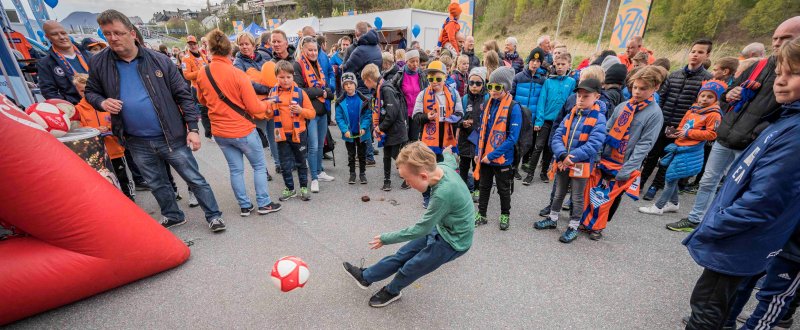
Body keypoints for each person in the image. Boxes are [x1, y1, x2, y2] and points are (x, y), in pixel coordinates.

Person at [681, 37, 800, 329]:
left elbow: (764, 199)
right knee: (716, 307)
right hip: (740, 238)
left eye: (792, 74)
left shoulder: (795, 133)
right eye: (780, 73)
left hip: (740, 239)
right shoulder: (785, 119)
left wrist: (714, 226)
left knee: (707, 309)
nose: (780, 82)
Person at [86, 10, 225, 232]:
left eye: (118, 33)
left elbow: (184, 96)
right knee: (156, 183)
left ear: (132, 33)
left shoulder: (159, 60)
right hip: (136, 140)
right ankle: (173, 215)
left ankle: (214, 215)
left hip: (171, 136)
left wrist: (193, 128)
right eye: (107, 34)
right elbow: (90, 92)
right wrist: (102, 102)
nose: (112, 38)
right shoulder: (99, 63)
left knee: (194, 178)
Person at [667, 16, 800, 232]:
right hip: (727, 135)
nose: (777, 43)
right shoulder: (758, 66)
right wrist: (730, 94)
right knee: (708, 181)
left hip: (751, 142)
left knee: (737, 187)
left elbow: (786, 114)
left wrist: (758, 132)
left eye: (785, 38)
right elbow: (726, 93)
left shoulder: (792, 82)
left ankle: (720, 224)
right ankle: (695, 220)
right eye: (775, 38)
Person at [342, 142, 474, 308]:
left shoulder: (443, 194)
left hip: (453, 242)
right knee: (402, 255)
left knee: (411, 267)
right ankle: (366, 276)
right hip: (441, 227)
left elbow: (421, 229)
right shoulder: (440, 167)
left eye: (407, 180)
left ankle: (392, 291)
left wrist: (386, 238)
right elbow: (450, 161)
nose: (407, 184)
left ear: (424, 176)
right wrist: (448, 152)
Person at [194, 29, 282, 217]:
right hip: (242, 129)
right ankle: (264, 203)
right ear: (230, 51)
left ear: (210, 49)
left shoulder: (203, 72)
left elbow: (201, 100)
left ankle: (244, 206)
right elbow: (254, 108)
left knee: (235, 170)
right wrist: (269, 103)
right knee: (259, 166)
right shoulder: (237, 74)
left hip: (220, 132)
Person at [580, 65, 666, 240]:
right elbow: (606, 129)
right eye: (635, 87)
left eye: (643, 89)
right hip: (605, 158)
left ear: (655, 88)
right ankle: (587, 221)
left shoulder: (655, 114)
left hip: (623, 163)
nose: (637, 92)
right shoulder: (623, 106)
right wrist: (596, 154)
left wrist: (626, 171)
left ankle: (599, 226)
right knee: (593, 192)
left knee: (610, 198)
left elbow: (644, 145)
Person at [533, 78, 607, 243]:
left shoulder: (599, 119)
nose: (580, 99)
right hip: (562, 161)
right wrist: (561, 155)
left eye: (585, 96)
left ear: (596, 97)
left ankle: (573, 226)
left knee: (577, 197)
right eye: (579, 95)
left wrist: (569, 158)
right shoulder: (572, 113)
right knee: (558, 192)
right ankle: (552, 219)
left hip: (581, 165)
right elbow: (557, 136)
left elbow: (593, 145)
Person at [638, 80, 725, 216]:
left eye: (710, 96)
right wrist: (676, 132)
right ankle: (674, 204)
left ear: (716, 99)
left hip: (690, 150)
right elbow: (682, 126)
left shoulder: (714, 114)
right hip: (679, 147)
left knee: (671, 178)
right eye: (703, 95)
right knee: (673, 177)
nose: (705, 99)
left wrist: (688, 133)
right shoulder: (692, 110)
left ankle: (658, 207)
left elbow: (712, 134)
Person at [641, 39, 713, 201]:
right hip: (663, 122)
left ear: (707, 55)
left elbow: (702, 106)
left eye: (700, 52)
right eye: (693, 51)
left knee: (668, 157)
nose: (695, 55)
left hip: (682, 127)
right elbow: (662, 97)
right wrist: (658, 118)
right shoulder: (674, 75)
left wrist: (688, 127)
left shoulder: (707, 79)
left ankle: (655, 186)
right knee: (653, 154)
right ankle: (641, 181)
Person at [472, 67, 522, 230]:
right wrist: (477, 153)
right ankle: (481, 214)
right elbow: (481, 130)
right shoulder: (487, 103)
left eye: (497, 87)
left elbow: (512, 138)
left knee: (503, 189)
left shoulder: (514, 107)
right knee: (484, 186)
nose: (493, 91)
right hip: (485, 156)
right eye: (490, 86)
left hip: (502, 159)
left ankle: (505, 215)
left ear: (506, 87)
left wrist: (492, 155)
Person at [73, 73, 134, 201]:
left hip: (114, 149)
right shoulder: (78, 109)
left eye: (88, 90)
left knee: (122, 176)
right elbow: (78, 129)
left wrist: (111, 128)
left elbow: (120, 121)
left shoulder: (108, 104)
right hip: (96, 153)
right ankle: (113, 201)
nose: (85, 93)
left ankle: (129, 198)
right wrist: (95, 130)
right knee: (104, 179)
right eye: (82, 91)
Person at [412, 60, 464, 208]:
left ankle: (445, 197)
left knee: (446, 170)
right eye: (431, 79)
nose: (434, 82)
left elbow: (460, 113)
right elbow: (415, 117)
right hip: (429, 140)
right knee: (427, 170)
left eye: (438, 79)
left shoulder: (453, 94)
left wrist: (453, 118)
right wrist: (427, 117)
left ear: (445, 77)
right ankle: (427, 196)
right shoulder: (423, 94)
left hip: (447, 139)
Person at [232, 32, 280, 180]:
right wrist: (266, 89)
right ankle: (262, 169)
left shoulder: (264, 58)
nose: (244, 47)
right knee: (258, 140)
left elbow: (273, 75)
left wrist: (273, 89)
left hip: (270, 102)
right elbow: (246, 84)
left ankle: (279, 163)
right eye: (241, 44)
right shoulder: (238, 63)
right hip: (254, 106)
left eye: (247, 44)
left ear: (254, 45)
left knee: (274, 135)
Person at [524, 52, 576, 185]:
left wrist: (567, 122)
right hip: (546, 120)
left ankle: (544, 172)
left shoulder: (571, 82)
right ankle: (530, 173)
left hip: (560, 122)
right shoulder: (548, 81)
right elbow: (542, 101)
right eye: (557, 64)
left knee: (550, 147)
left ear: (568, 65)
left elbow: (571, 103)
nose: (560, 67)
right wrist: (539, 120)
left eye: (563, 64)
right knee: (538, 146)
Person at [292, 37, 335, 193]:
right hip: (309, 113)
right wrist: (322, 92)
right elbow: (300, 90)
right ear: (303, 50)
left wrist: (326, 92)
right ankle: (314, 178)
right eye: (310, 50)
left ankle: (320, 171)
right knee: (314, 146)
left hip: (322, 111)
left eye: (315, 50)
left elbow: (327, 88)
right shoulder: (298, 65)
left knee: (320, 146)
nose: (313, 52)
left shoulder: (318, 64)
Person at [270, 60, 316, 202]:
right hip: (281, 134)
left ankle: (303, 187)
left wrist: (301, 110)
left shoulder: (300, 93)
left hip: (299, 133)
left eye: (288, 77)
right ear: (276, 77)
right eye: (282, 77)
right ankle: (290, 189)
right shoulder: (273, 92)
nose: (285, 80)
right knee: (284, 164)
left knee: (301, 161)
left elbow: (312, 113)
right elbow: (267, 113)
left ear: (293, 77)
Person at [363, 64, 408, 191]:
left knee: (397, 156)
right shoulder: (379, 88)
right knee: (386, 155)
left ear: (369, 80)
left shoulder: (386, 89)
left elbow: (392, 113)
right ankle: (386, 180)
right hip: (388, 129)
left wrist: (380, 127)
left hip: (396, 129)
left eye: (364, 81)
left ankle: (409, 177)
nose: (365, 84)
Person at [510, 48, 547, 180]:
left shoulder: (543, 80)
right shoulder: (518, 77)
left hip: (533, 116)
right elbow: (511, 96)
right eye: (533, 60)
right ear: (528, 61)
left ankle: (525, 163)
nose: (535, 64)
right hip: (520, 115)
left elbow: (543, 100)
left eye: (538, 61)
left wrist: (538, 118)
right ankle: (514, 167)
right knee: (517, 142)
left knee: (529, 142)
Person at [37, 21, 91, 105]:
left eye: (63, 33)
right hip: (77, 109)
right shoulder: (45, 63)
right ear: (47, 37)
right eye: (55, 34)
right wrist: (72, 107)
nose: (61, 37)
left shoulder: (90, 56)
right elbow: (49, 92)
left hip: (100, 104)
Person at [335, 72, 371, 184]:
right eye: (346, 84)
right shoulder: (340, 101)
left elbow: (368, 115)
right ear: (343, 87)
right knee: (351, 155)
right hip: (349, 134)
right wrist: (344, 130)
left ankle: (362, 173)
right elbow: (339, 117)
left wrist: (364, 127)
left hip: (362, 133)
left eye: (351, 83)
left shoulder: (364, 99)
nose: (349, 86)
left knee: (362, 154)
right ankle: (352, 174)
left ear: (355, 84)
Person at [459, 67, 488, 202]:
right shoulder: (464, 99)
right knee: (464, 167)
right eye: (472, 83)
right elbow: (458, 117)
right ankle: (463, 190)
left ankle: (477, 189)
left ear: (483, 84)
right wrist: (462, 123)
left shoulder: (488, 99)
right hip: (465, 138)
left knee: (477, 167)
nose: (474, 86)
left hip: (479, 139)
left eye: (478, 83)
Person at [390, 49, 427, 147]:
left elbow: (426, 91)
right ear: (406, 62)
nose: (415, 64)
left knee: (414, 140)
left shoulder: (422, 75)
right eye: (412, 61)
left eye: (417, 61)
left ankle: (413, 161)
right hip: (403, 113)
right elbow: (392, 92)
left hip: (416, 113)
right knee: (404, 141)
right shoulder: (399, 75)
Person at [180, 35, 212, 140]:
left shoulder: (202, 55)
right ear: (188, 45)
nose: (192, 46)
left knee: (212, 108)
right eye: (190, 44)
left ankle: (215, 129)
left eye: (194, 44)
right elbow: (187, 75)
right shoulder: (186, 59)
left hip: (208, 86)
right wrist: (202, 71)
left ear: (197, 44)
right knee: (204, 112)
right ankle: (209, 134)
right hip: (197, 88)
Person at [342, 22, 382, 94]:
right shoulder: (377, 47)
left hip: (362, 90)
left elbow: (346, 71)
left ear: (356, 33)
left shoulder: (360, 50)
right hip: (375, 88)